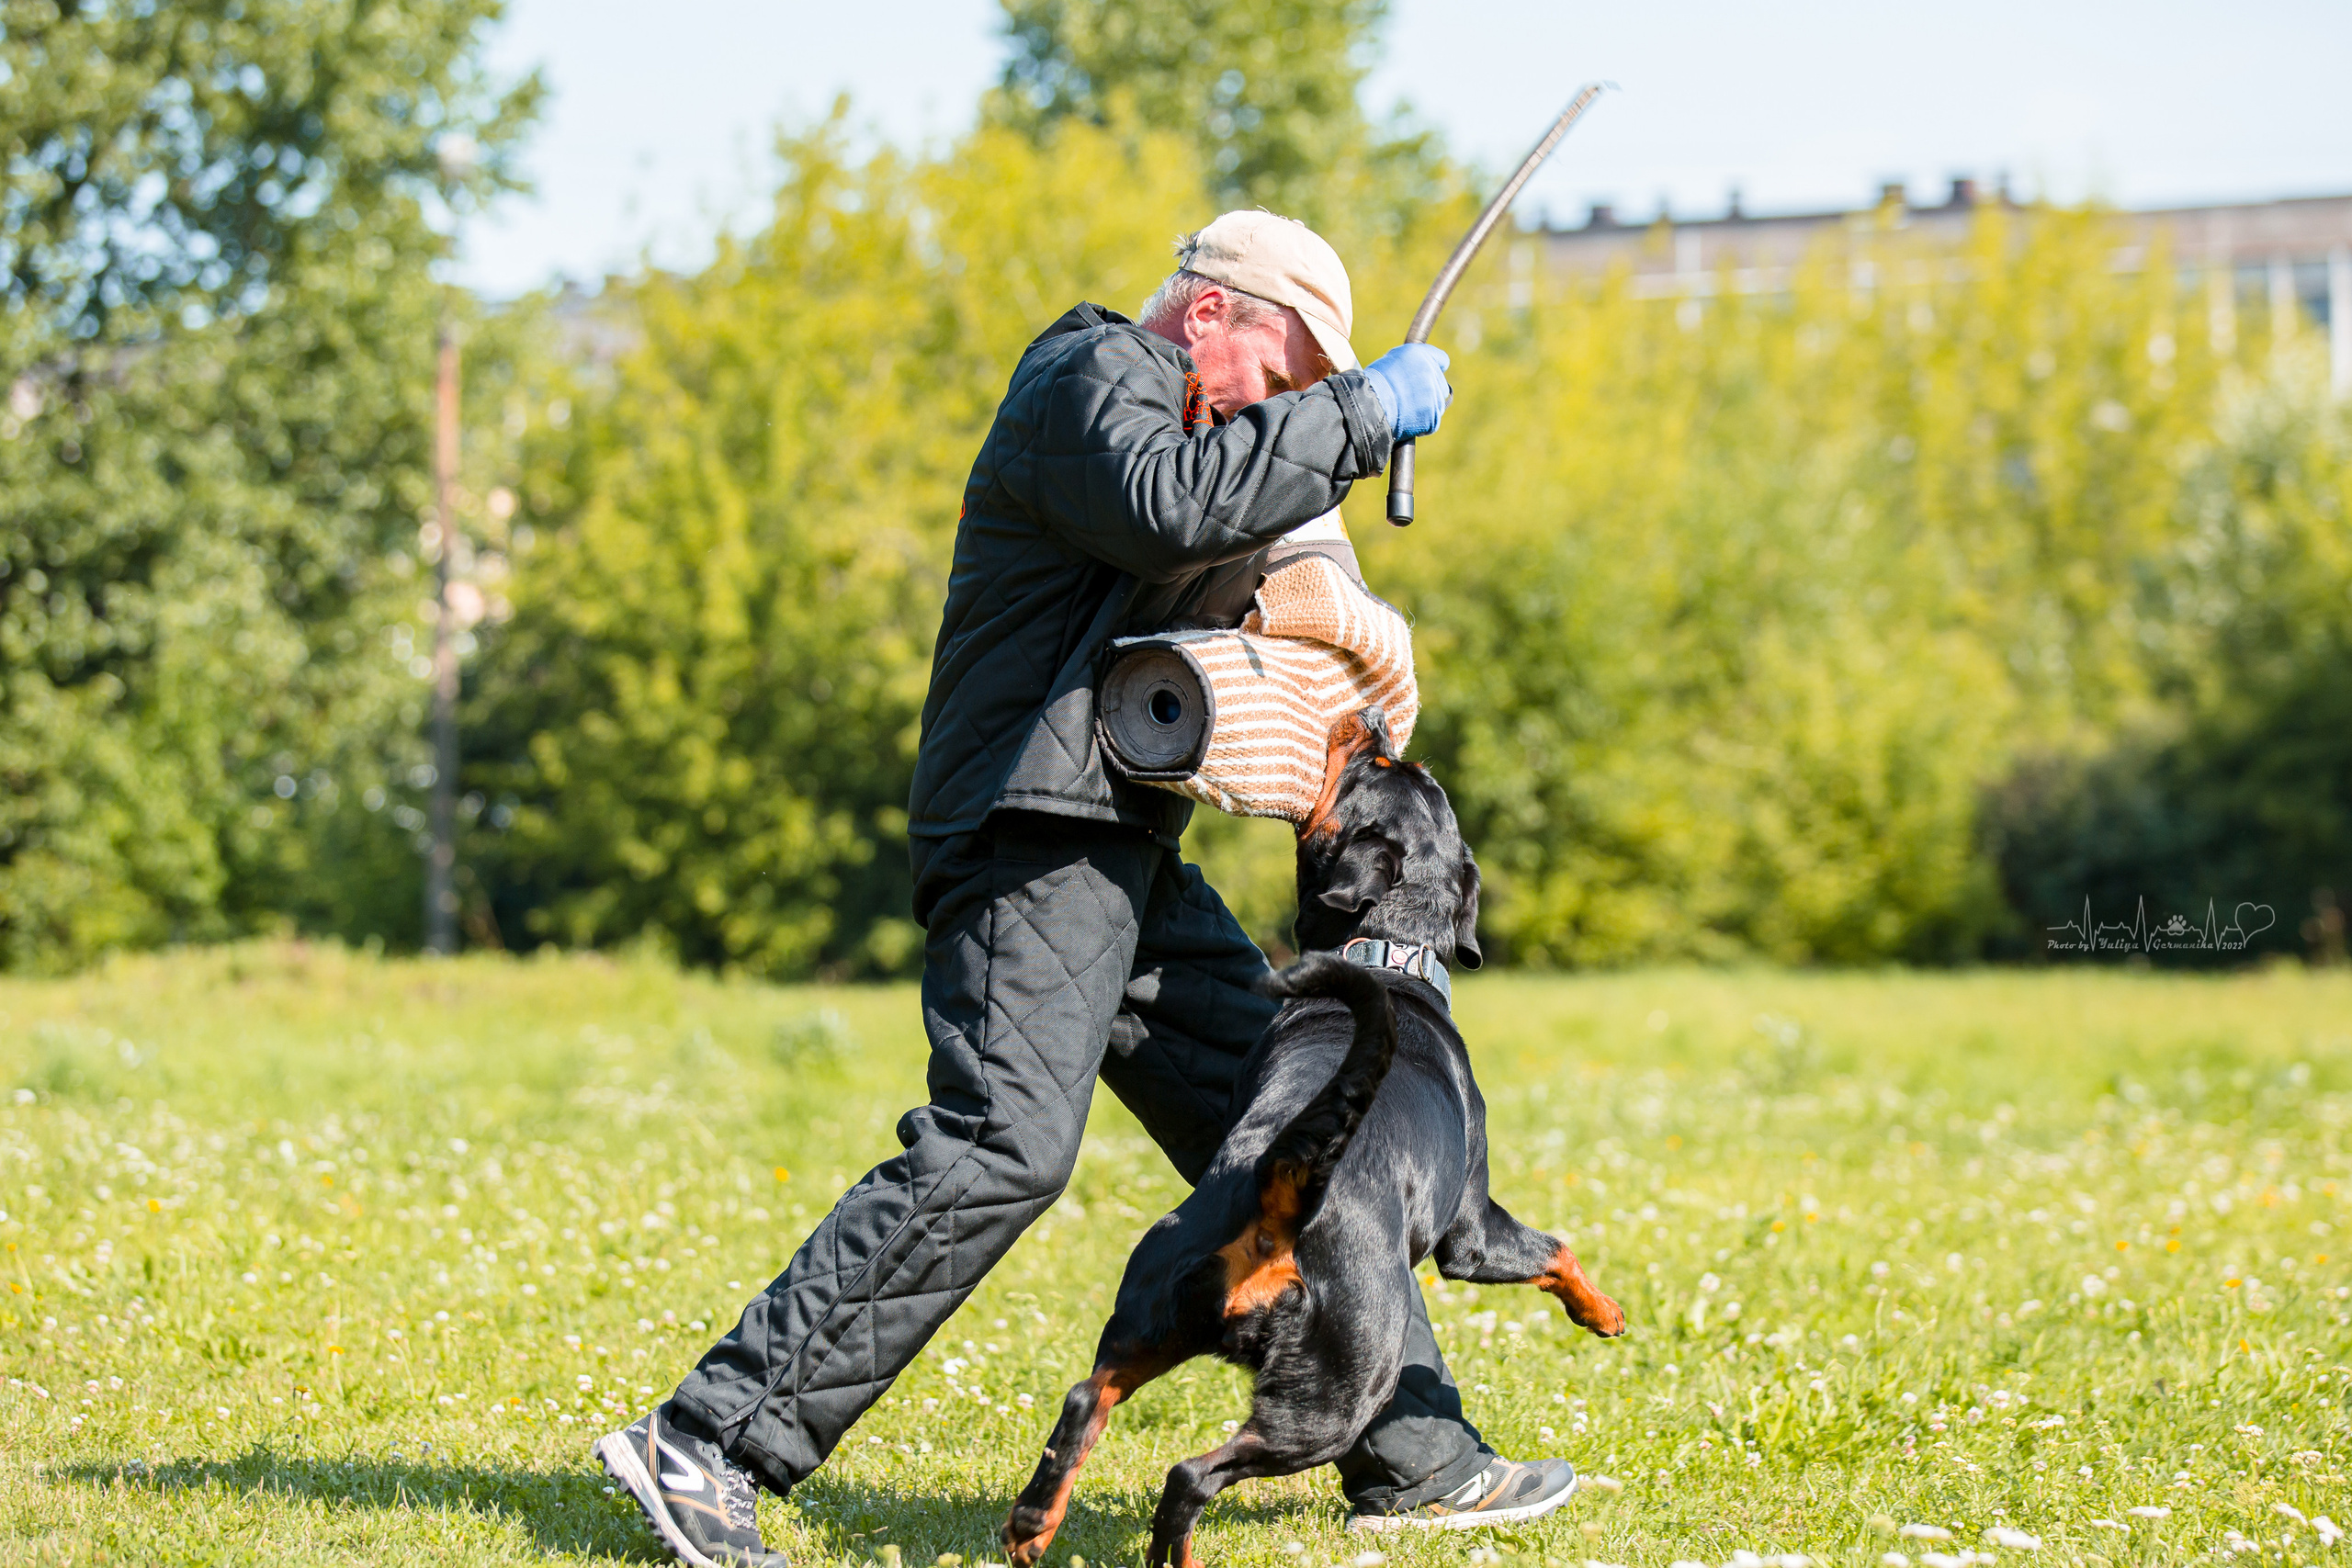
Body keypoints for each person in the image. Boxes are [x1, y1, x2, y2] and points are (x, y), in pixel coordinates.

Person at [596, 211, 1577, 1568]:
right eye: (1286, 369)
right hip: (1027, 837)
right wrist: (1363, 408)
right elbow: (1173, 498)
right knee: (1005, 1142)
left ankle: (1416, 1455)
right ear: (1212, 312)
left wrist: (1359, 633)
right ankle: (705, 1442)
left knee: (1310, 1124)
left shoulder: (1212, 433)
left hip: (1117, 843)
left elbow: (1275, 539)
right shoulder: (1091, 375)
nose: (1285, 402)